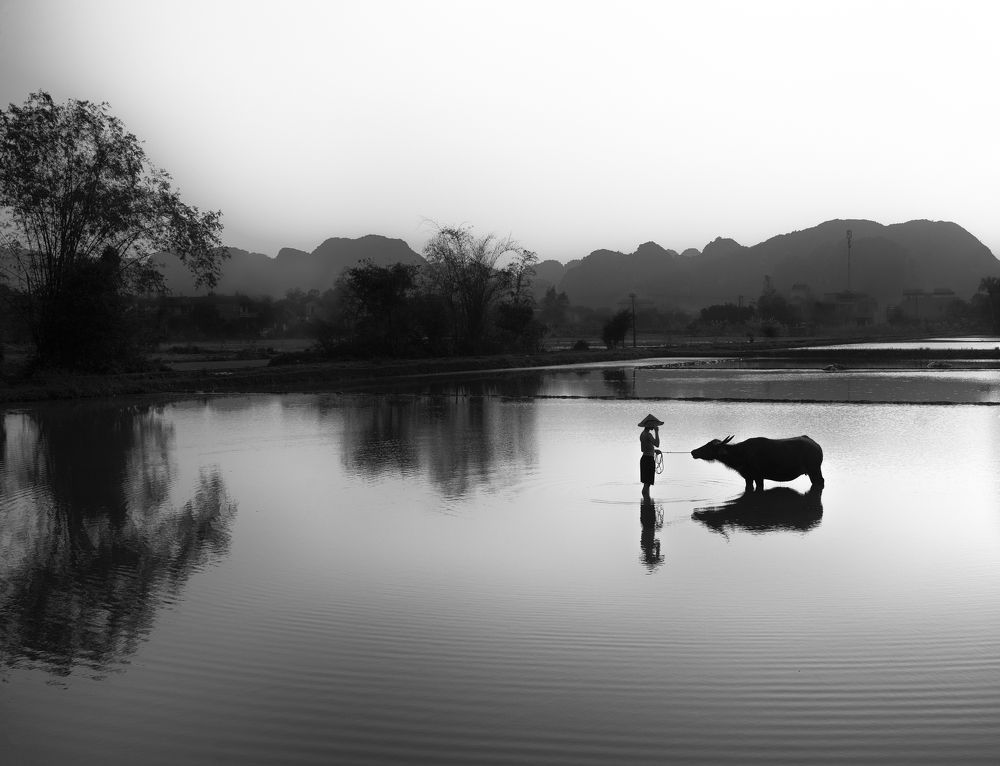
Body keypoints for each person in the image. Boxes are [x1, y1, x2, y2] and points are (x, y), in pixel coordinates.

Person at [638, 413, 662, 498]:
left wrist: (654, 451)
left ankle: (646, 502)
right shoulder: (648, 435)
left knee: (646, 484)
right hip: (648, 460)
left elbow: (643, 449)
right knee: (647, 484)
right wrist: (656, 432)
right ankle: (646, 502)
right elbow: (657, 444)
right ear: (650, 425)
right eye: (654, 425)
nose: (655, 426)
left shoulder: (642, 434)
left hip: (644, 459)